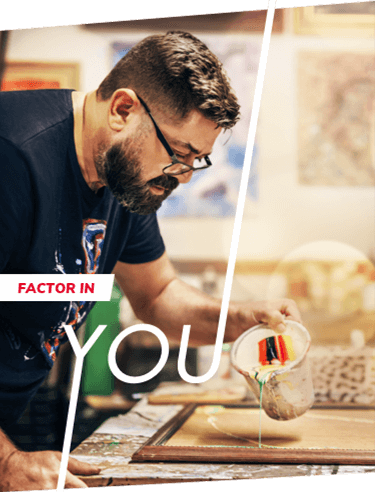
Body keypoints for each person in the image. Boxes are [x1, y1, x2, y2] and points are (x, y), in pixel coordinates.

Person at [0, 31, 302, 490]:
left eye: (196, 161)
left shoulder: (126, 181)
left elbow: (157, 296)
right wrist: (5, 464)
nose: (181, 176)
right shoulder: (13, 159)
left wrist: (238, 322)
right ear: (123, 110)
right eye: (179, 154)